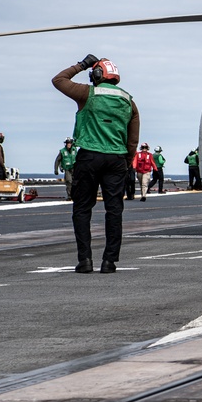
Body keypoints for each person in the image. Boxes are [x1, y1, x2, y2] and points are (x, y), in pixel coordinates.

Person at [52, 55, 139, 274]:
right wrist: (126, 162)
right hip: (117, 159)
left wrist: (81, 65)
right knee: (114, 210)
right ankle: (109, 262)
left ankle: (85, 260)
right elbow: (133, 140)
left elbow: (58, 80)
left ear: (98, 75)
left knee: (82, 209)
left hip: (89, 156)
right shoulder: (129, 100)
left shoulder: (87, 93)